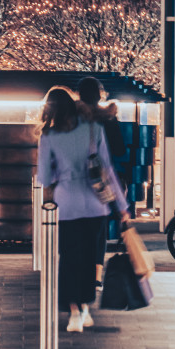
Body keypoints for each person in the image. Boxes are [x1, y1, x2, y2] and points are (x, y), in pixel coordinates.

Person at [37, 86, 129, 333]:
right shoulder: (93, 129)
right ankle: (86, 307)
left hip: (66, 206)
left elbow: (45, 177)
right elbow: (107, 170)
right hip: (95, 206)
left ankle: (74, 313)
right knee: (90, 260)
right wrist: (122, 207)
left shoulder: (49, 136)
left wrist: (61, 172)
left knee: (69, 259)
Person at [76, 76, 127, 292]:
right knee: (99, 231)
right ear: (99, 94)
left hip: (76, 181)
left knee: (78, 230)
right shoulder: (108, 119)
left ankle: (80, 271)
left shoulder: (72, 119)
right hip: (101, 182)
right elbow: (118, 150)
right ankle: (96, 276)